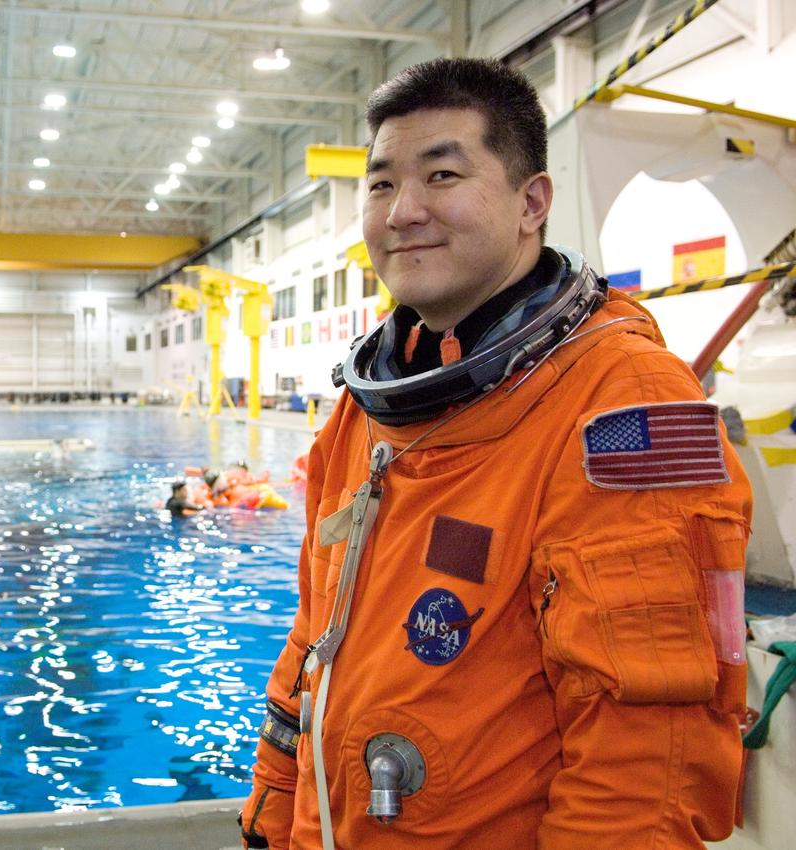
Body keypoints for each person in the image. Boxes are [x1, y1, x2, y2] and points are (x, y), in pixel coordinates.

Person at [238, 57, 752, 850]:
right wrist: (271, 822)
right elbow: (311, 646)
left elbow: (648, 750)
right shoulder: (363, 408)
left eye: (442, 175)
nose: (403, 211)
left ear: (530, 202)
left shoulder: (625, 401)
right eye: (380, 185)